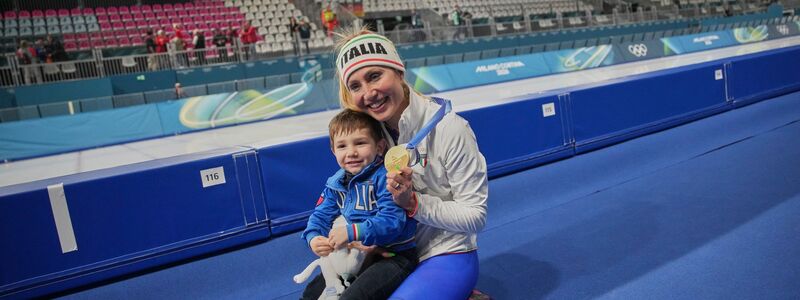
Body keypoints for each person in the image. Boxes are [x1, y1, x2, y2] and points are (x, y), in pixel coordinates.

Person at [334, 28, 488, 299]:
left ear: (399, 71)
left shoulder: (450, 128)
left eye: (375, 76)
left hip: (445, 252)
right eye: (355, 86)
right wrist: (361, 234)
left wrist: (413, 203)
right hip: (394, 253)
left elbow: (475, 216)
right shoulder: (369, 137)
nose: (368, 93)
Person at [300, 109, 418, 299]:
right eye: (342, 146)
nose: (351, 152)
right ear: (334, 151)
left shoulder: (386, 178)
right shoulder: (336, 183)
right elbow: (320, 216)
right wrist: (313, 238)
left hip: (394, 256)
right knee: (310, 295)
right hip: (356, 256)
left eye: (360, 143)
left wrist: (352, 232)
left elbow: (392, 222)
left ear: (379, 147)